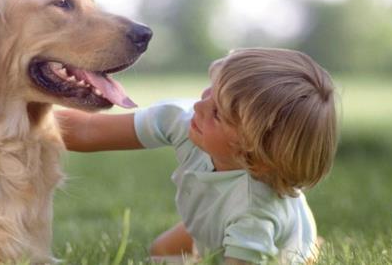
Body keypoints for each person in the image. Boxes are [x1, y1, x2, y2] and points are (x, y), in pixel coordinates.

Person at [56, 48, 338, 264]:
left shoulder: (255, 212)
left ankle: (310, 247)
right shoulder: (185, 119)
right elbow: (87, 130)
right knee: (159, 252)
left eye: (218, 113)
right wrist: (16, 118)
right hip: (211, 217)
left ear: (255, 156)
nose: (199, 106)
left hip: (278, 246)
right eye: (210, 91)